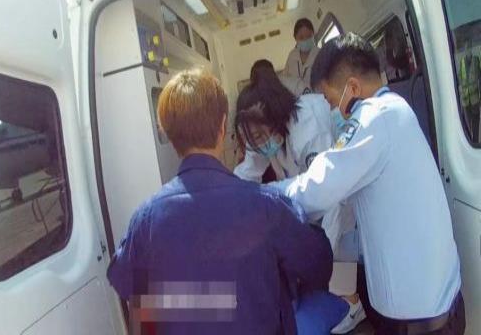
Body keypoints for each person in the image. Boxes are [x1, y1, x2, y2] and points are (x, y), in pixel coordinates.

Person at [107, 69, 347, 335]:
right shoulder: (268, 207)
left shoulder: (145, 220)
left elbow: (126, 287)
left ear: (167, 133)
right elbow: (318, 263)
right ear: (223, 127)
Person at [276, 33, 465, 334]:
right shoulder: (396, 108)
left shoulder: (373, 119)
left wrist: (260, 195)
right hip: (436, 307)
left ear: (352, 88)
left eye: (330, 101)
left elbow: (317, 189)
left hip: (421, 323)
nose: (332, 112)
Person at [233, 59, 365, 334]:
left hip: (342, 197)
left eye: (258, 136)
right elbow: (247, 173)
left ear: (274, 119)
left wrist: (320, 258)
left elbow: (332, 198)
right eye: (251, 139)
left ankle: (352, 304)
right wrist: (223, 199)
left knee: (339, 247)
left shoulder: (308, 126)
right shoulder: (265, 133)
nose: (257, 145)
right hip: (313, 202)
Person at [281, 18, 320, 94]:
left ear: (313, 34)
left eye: (309, 36)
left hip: (317, 96)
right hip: (296, 97)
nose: (305, 40)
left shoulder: (320, 54)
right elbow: (285, 78)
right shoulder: (292, 55)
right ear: (295, 38)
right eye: (301, 37)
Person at [458, 40, 481, 141]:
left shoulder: (476, 61)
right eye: (466, 48)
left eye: (469, 48)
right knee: (467, 125)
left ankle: (475, 142)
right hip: (465, 100)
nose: (468, 50)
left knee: (476, 122)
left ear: (471, 49)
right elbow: (459, 79)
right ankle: (470, 141)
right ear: (464, 50)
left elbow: (479, 77)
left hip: (475, 99)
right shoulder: (461, 63)